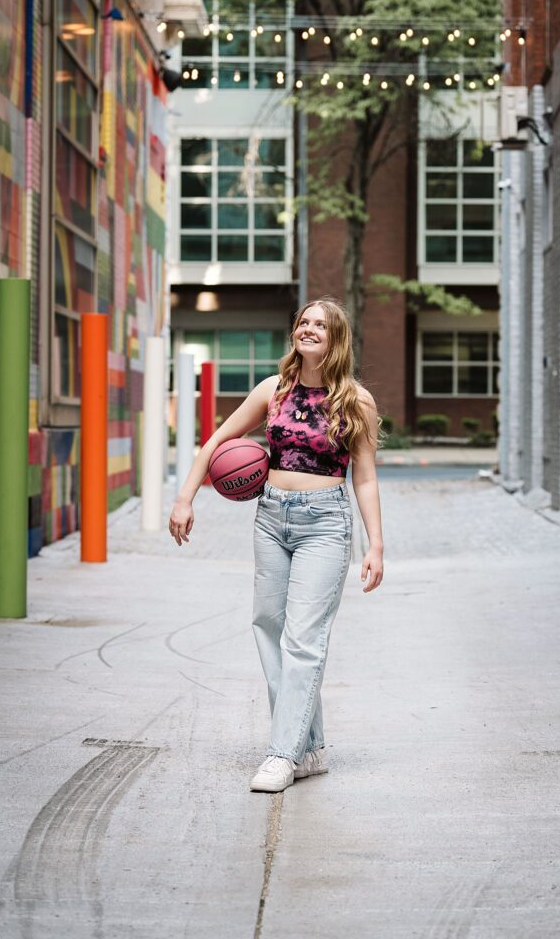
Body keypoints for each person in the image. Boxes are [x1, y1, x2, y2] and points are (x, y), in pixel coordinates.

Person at [169, 297, 384, 792]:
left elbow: (366, 480)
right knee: (267, 626)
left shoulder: (356, 401)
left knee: (303, 639)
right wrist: (185, 499)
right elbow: (216, 442)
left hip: (325, 523)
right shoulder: (274, 389)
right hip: (271, 517)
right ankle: (311, 748)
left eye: (320, 325)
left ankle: (282, 754)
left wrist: (375, 546)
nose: (308, 329)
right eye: (303, 322)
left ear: (336, 339)